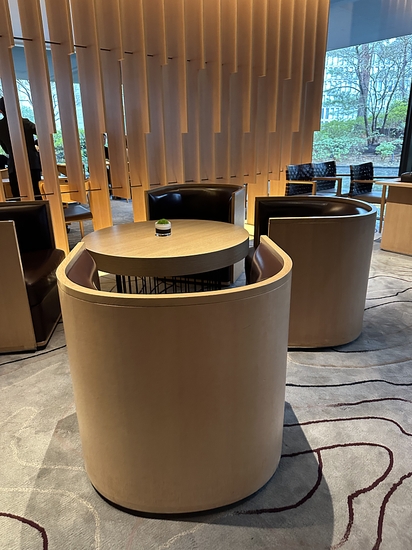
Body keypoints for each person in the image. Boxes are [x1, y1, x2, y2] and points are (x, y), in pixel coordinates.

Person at [0, 96, 42, 199]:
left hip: (14, 166)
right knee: (36, 194)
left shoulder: (0, 127)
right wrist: (34, 144)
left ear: (1, 111)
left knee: (18, 196)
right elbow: (42, 133)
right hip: (32, 163)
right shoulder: (25, 122)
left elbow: (6, 150)